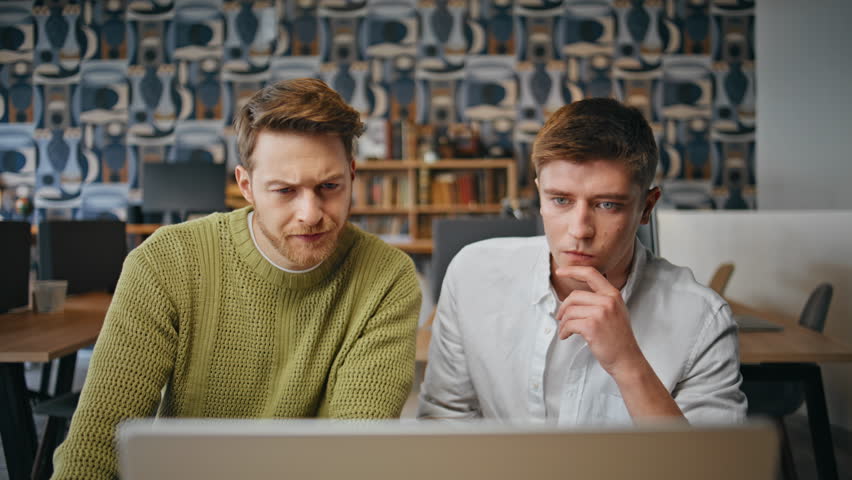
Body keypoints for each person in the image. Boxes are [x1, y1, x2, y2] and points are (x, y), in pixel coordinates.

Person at [53, 78, 422, 478]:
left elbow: (356, 452)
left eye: (329, 186)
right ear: (246, 186)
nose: (311, 213)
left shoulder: (387, 277)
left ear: (352, 175)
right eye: (284, 190)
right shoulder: (166, 261)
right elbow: (98, 440)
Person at [418, 98, 746, 424]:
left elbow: (707, 467)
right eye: (560, 200)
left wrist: (627, 364)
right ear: (539, 194)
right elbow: (446, 419)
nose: (579, 230)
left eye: (607, 205)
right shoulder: (472, 274)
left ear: (647, 207)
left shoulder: (703, 319)